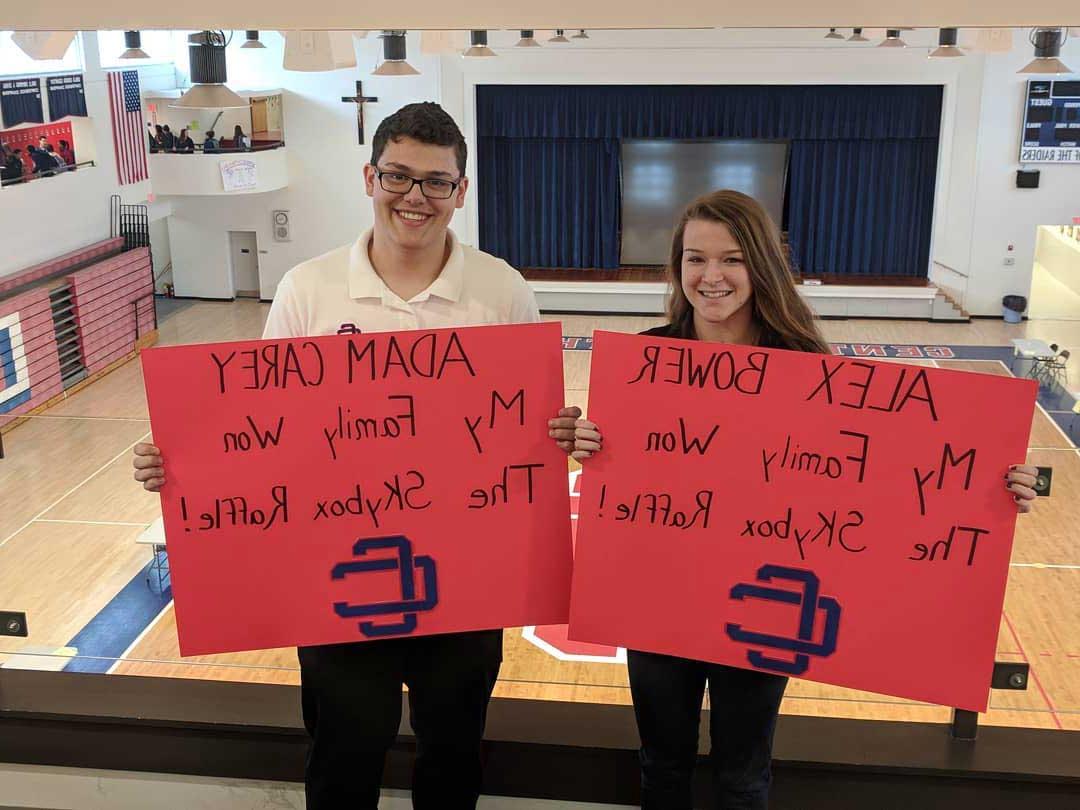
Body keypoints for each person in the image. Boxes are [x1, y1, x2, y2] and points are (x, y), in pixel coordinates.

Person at [132, 102, 579, 809]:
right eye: (399, 176)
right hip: (336, 582)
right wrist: (181, 462)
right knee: (344, 759)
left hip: (464, 582)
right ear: (370, 177)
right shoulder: (307, 290)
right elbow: (260, 429)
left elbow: (526, 431)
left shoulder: (502, 291)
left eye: (436, 182)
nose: (415, 197)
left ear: (460, 191)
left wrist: (557, 437)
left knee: (454, 758)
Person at [570, 189, 1040, 810]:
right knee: (662, 765)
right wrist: (585, 442)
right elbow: (620, 463)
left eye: (732, 259)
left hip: (765, 605)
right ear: (677, 266)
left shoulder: (807, 368)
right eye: (695, 259)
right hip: (661, 597)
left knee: (742, 775)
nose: (711, 277)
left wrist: (991, 481)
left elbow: (892, 472)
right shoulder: (647, 358)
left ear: (761, 265)